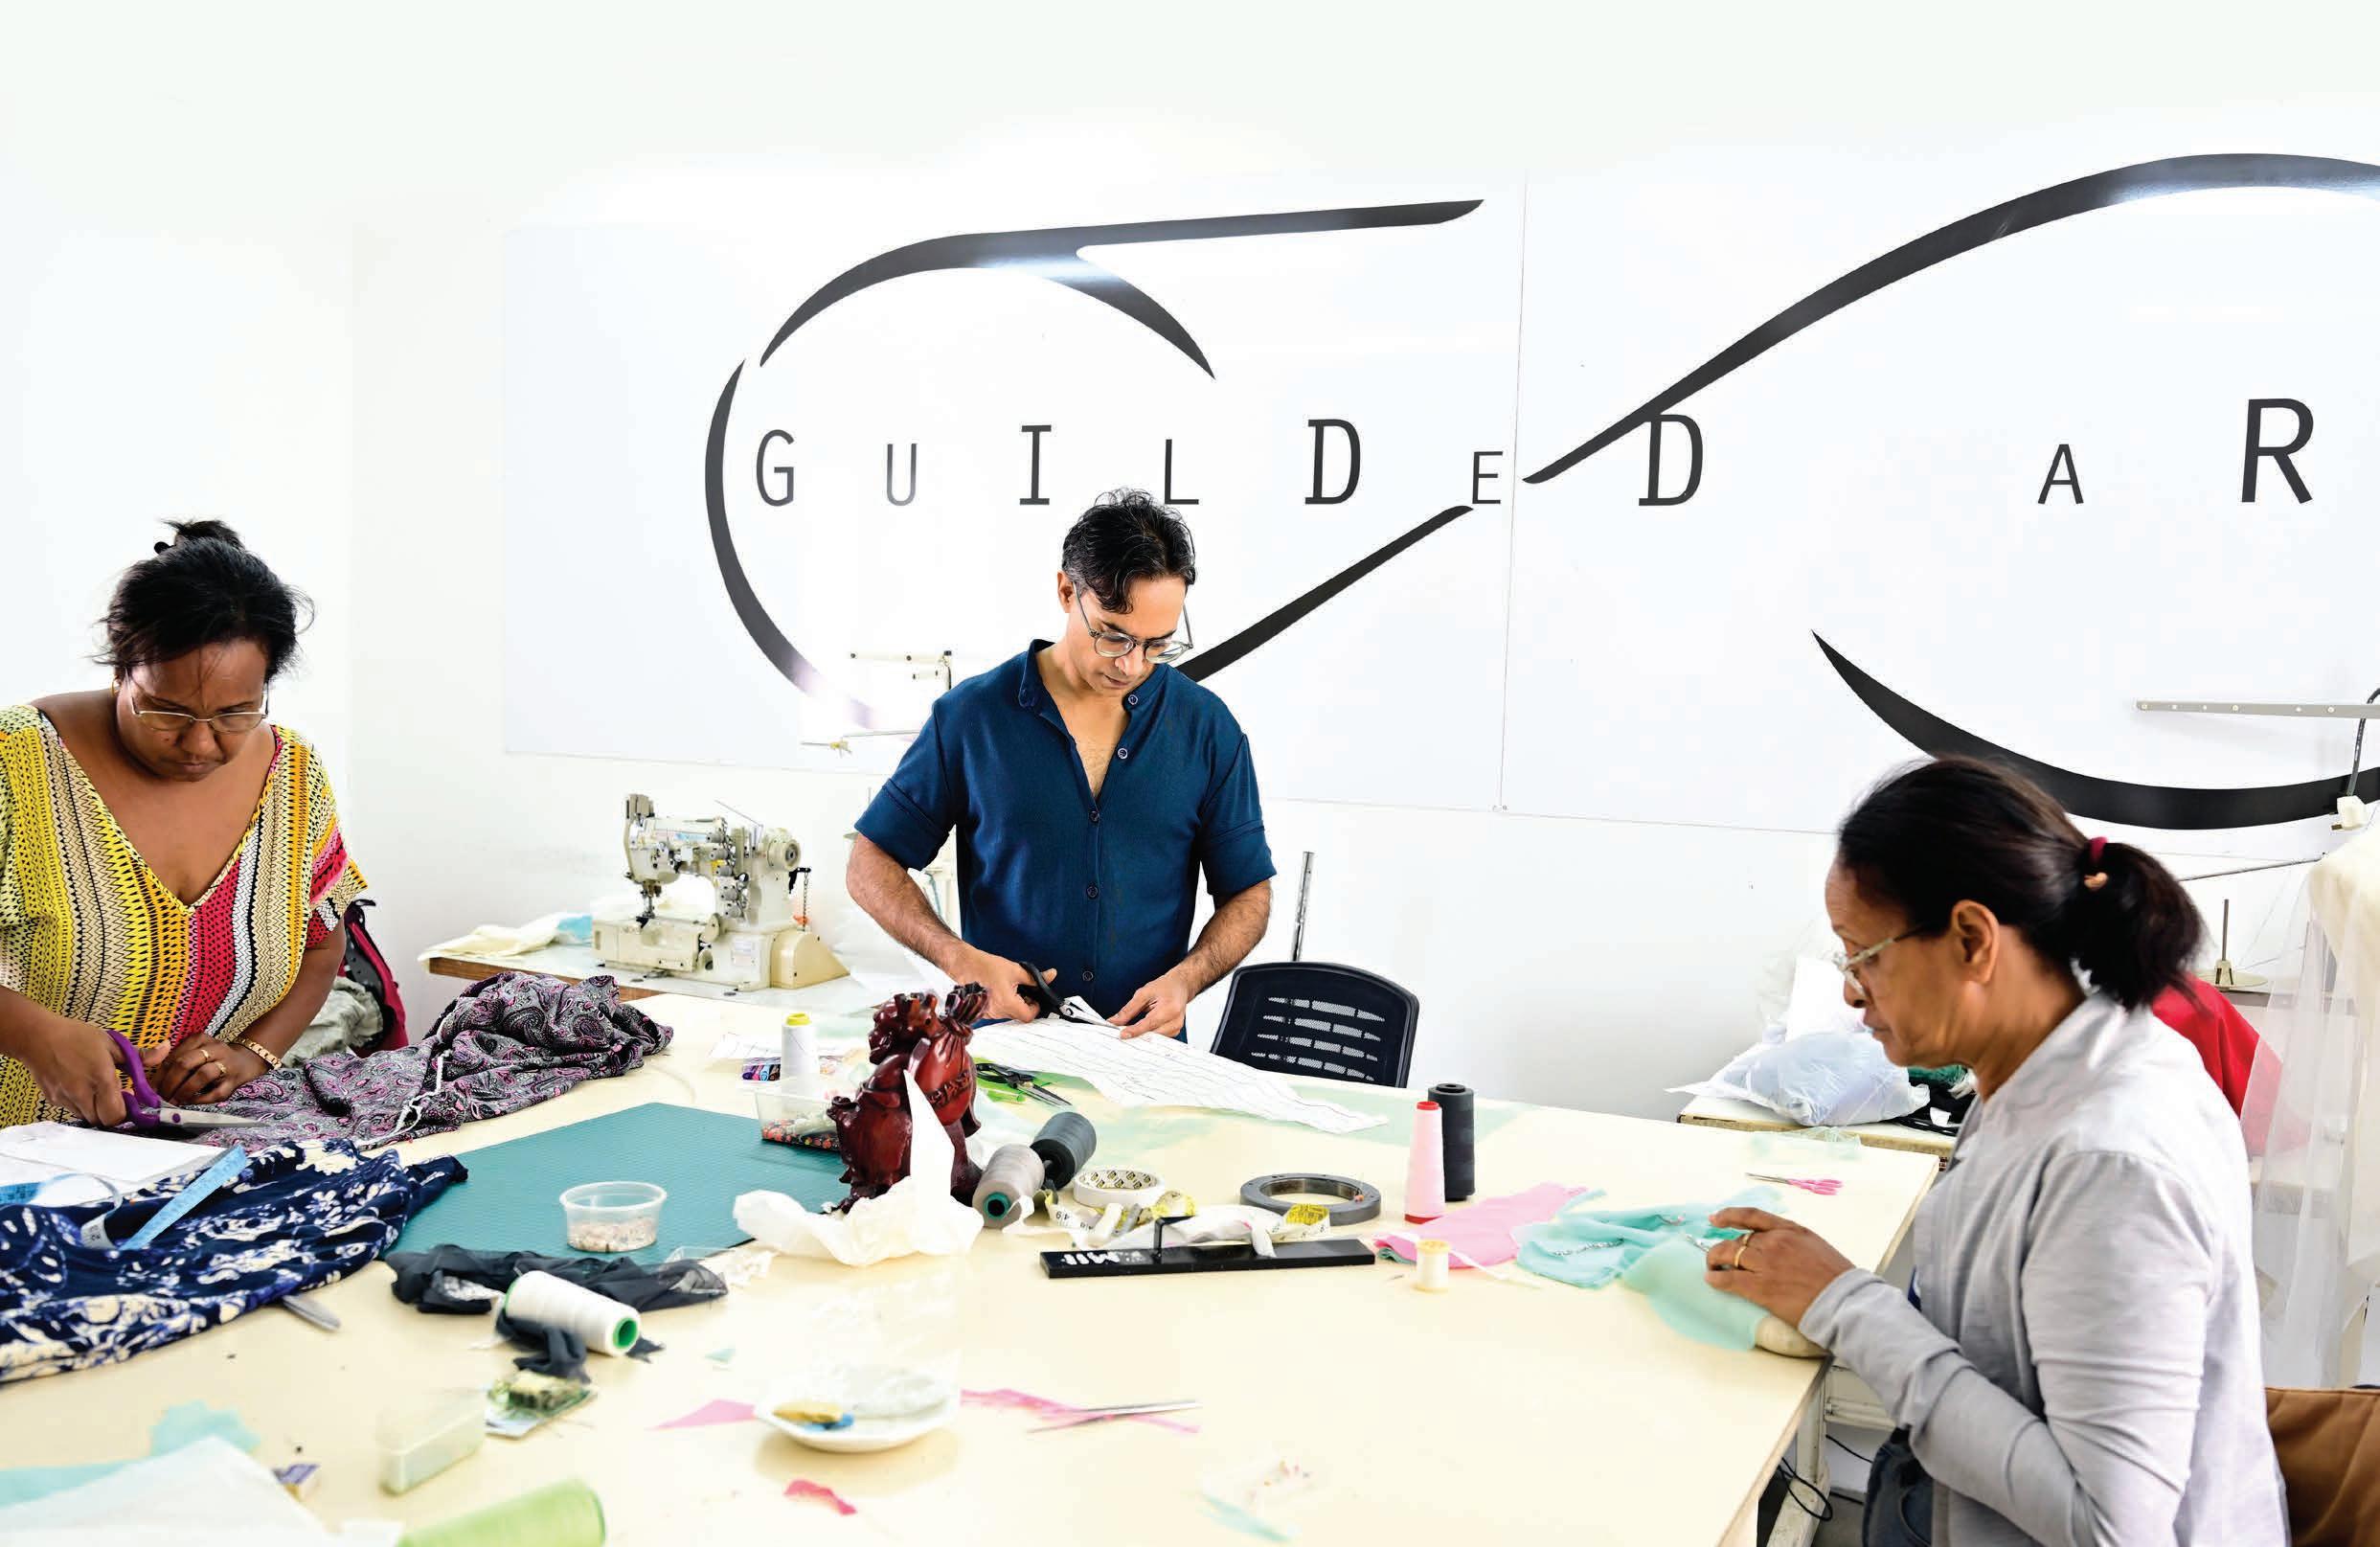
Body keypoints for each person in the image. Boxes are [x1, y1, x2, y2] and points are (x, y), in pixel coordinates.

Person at [1707, 757, 2283, 1544]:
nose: (1849, 989)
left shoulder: (2112, 1163)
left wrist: (1843, 1302)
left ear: (1971, 939)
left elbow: (2109, 1525)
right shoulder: (2042, 1066)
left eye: (1863, 953)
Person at [847, 489, 1273, 1038]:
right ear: (1067, 591)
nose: (1133, 665)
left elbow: (1249, 893)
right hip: (1004, 1053)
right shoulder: (972, 717)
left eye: (1157, 645)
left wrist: (1187, 981)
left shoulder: (1208, 728)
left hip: (1146, 1059)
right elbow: (870, 862)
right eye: (1114, 637)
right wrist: (958, 958)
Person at [0, 521, 367, 1126]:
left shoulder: (293, 775)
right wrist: (34, 1035)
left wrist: (250, 1055)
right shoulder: (18, 762)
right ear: (121, 668)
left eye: (236, 713)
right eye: (166, 711)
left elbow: (322, 944)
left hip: (185, 1157)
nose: (200, 744)